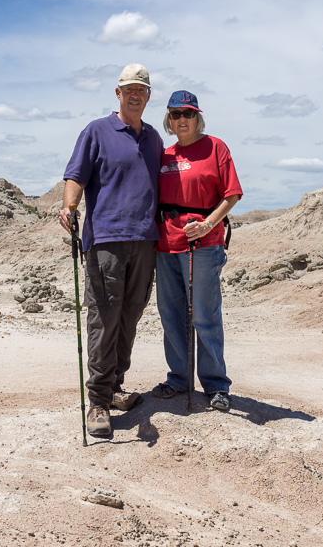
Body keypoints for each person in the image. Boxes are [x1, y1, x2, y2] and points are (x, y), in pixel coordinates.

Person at [59, 63, 163, 437]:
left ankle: (115, 385)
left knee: (130, 316)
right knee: (104, 318)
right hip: (106, 240)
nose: (136, 94)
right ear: (117, 93)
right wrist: (70, 206)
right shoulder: (96, 131)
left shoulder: (153, 138)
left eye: (142, 89)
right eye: (129, 89)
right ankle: (98, 403)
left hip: (145, 240)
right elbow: (75, 175)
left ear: (148, 96)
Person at [152, 90, 242, 411]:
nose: (182, 120)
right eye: (176, 115)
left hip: (203, 245)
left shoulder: (216, 147)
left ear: (198, 117)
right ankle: (179, 378)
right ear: (169, 119)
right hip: (166, 246)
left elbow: (231, 195)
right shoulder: (164, 155)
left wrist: (206, 224)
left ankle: (216, 384)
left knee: (204, 314)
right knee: (171, 314)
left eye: (188, 114)